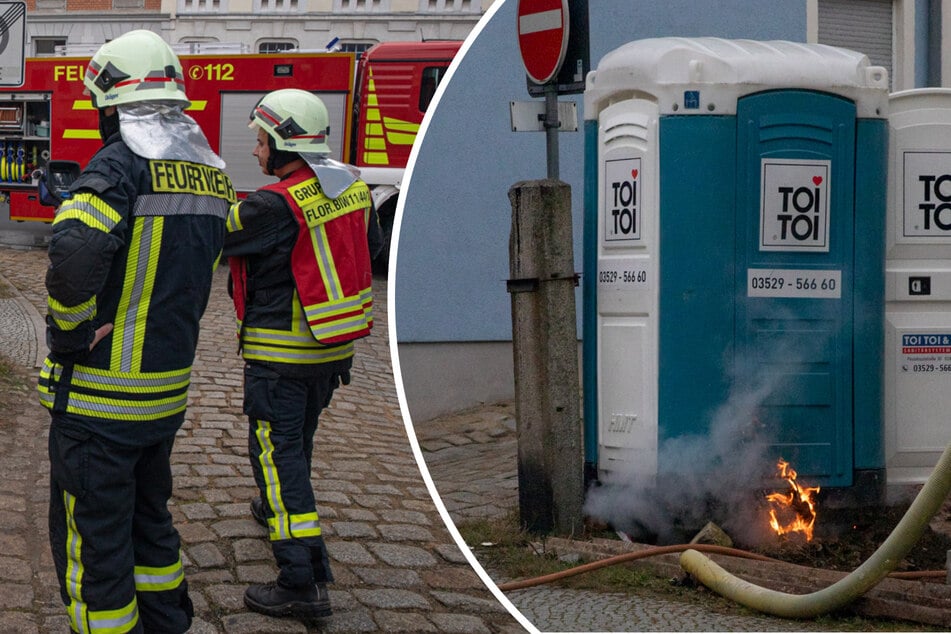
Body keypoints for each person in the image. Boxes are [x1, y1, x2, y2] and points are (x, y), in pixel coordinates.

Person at [37, 30, 235, 633]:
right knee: (150, 522)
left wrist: (70, 336)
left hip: (100, 404)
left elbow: (73, 256)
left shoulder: (117, 167)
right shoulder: (211, 173)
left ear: (109, 104)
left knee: (94, 548)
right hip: (164, 394)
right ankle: (168, 623)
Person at [223, 88, 381, 619]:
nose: (255, 152)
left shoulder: (271, 206)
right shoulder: (355, 190)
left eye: (260, 141)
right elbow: (371, 250)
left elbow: (220, 238)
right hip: (331, 354)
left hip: (279, 357)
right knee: (297, 446)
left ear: (279, 140)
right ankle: (284, 518)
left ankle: (300, 580)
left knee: (276, 453)